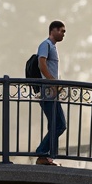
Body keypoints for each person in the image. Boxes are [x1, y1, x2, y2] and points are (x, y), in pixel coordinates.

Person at [34, 20, 67, 165]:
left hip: (52, 91)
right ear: (53, 30)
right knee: (60, 124)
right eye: (61, 31)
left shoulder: (52, 46)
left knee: (54, 124)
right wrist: (52, 82)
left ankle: (47, 156)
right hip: (47, 90)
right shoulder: (45, 45)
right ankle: (42, 152)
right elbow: (41, 64)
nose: (63, 34)